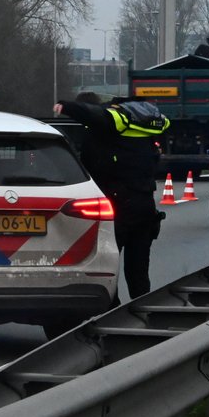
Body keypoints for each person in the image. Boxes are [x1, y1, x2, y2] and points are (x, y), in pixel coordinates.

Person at [54, 93, 170, 299]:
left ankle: (113, 310)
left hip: (117, 203)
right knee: (139, 267)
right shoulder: (141, 123)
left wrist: (65, 106)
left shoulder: (111, 120)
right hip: (144, 201)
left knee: (108, 264)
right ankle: (142, 308)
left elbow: (91, 114)